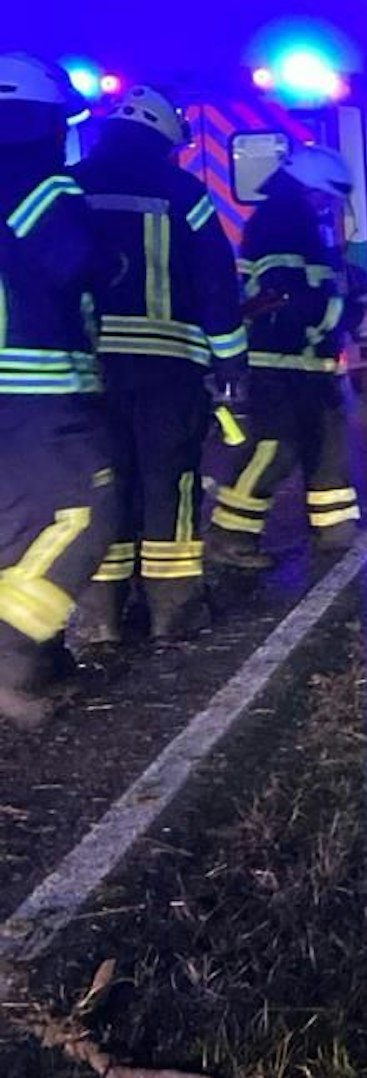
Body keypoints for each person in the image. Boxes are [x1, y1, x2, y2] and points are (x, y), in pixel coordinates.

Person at [70, 84, 247, 641]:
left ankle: (102, 618)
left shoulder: (69, 187)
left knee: (104, 483)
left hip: (85, 370)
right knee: (167, 480)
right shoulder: (183, 191)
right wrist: (231, 363)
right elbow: (215, 283)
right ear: (166, 138)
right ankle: (173, 610)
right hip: (167, 368)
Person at [0, 53, 119, 728]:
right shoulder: (43, 185)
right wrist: (113, 259)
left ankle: (38, 662)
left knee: (14, 522)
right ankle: (11, 657)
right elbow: (74, 261)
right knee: (85, 508)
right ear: (42, 121)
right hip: (33, 379)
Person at [207, 145, 367, 569]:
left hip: (304, 361)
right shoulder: (280, 223)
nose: (331, 207)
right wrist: (352, 316)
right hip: (278, 360)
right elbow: (289, 294)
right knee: (274, 448)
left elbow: (311, 286)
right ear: (313, 188)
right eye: (329, 198)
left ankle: (335, 531)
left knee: (326, 445)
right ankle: (229, 535)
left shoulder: (293, 221)